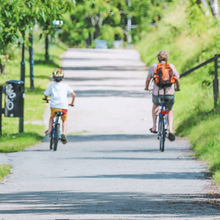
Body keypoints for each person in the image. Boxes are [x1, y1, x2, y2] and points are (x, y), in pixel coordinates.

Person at [145, 50, 180, 141]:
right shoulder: (171, 66)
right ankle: (170, 130)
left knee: (155, 106)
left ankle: (154, 127)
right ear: (167, 58)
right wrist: (177, 88)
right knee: (169, 110)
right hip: (169, 94)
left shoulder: (154, 66)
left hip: (157, 94)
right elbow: (177, 79)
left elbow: (148, 80)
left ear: (158, 58)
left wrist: (147, 87)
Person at [44, 68, 76, 144]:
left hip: (54, 106)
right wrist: (71, 103)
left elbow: (45, 95)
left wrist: (46, 99)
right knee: (64, 120)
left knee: (52, 117)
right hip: (64, 107)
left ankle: (49, 130)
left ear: (53, 78)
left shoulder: (51, 86)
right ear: (62, 78)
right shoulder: (65, 86)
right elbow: (73, 94)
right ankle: (64, 133)